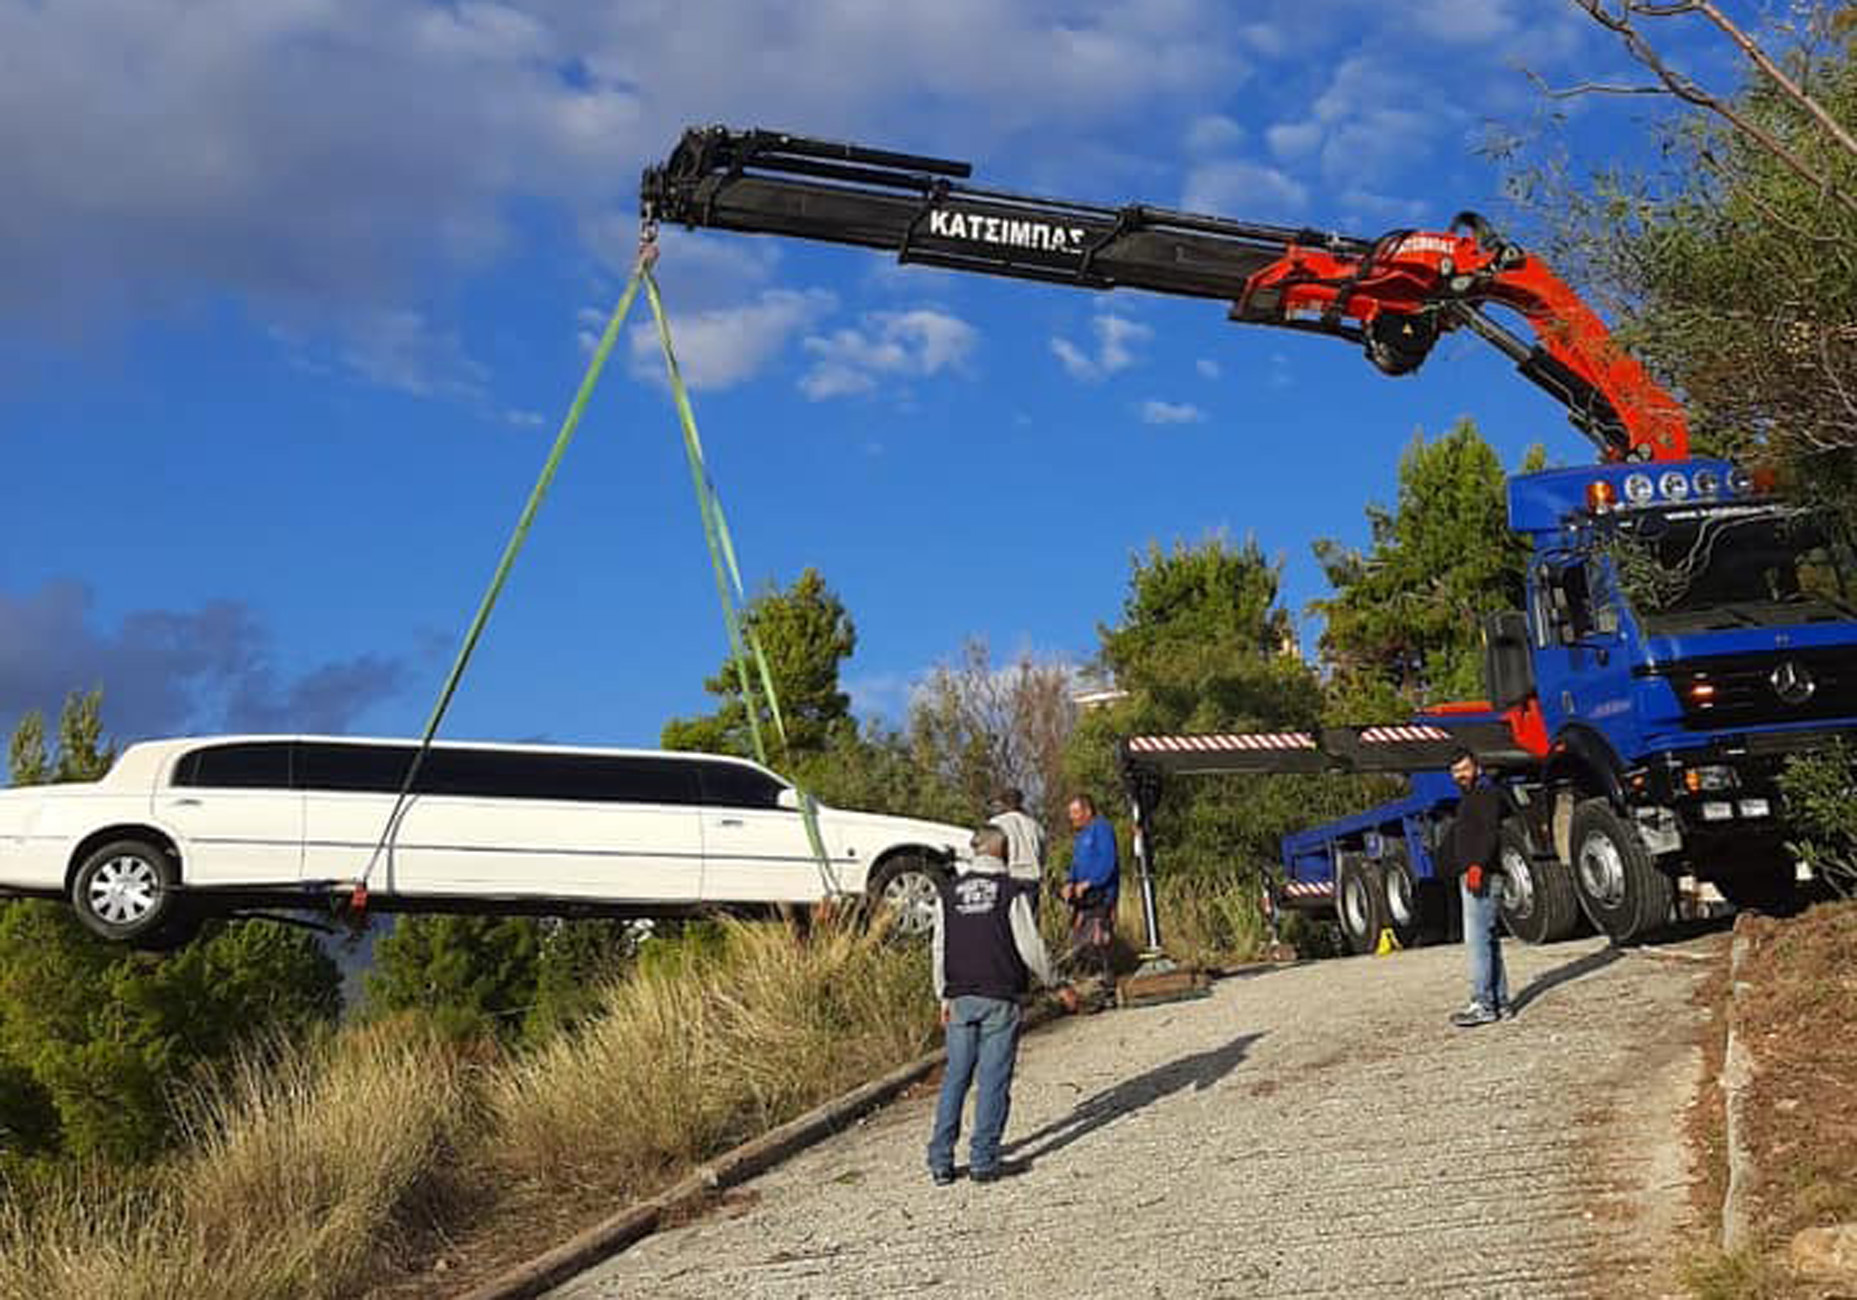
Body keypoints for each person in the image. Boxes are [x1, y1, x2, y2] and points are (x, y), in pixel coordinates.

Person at [927, 824, 1054, 1185]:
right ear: (1005, 850)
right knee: (993, 1079)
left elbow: (939, 947)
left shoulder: (947, 894)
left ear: (975, 850)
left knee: (956, 1077)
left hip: (960, 995)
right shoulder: (1010, 891)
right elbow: (1029, 946)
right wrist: (1054, 981)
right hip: (999, 993)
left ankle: (941, 1160)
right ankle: (983, 1159)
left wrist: (943, 995)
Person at [1445, 748, 1509, 1027]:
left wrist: (1477, 865)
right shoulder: (1472, 796)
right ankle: (1500, 1002)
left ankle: (1482, 1003)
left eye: (1465, 769)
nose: (1461, 775)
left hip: (1480, 876)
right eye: (1456, 772)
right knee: (1489, 940)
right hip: (1481, 873)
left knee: (1478, 941)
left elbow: (1489, 831)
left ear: (1477, 768)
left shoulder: (1483, 794)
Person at [1060, 793, 1119, 991]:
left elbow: (1107, 862)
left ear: (1087, 811)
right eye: (1070, 813)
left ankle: (1105, 983)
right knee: (1079, 938)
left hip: (1100, 895)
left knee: (1098, 938)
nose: (1072, 817)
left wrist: (1089, 883)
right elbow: (1076, 865)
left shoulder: (1102, 828)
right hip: (1082, 900)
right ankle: (1087, 980)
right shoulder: (1081, 836)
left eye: (1075, 812)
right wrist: (1070, 882)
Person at [986, 787, 1046, 903]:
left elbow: (991, 853)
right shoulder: (1035, 826)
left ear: (1003, 803)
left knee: (1006, 919)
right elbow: (1043, 857)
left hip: (1008, 877)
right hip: (1032, 879)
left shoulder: (996, 823)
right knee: (1029, 919)